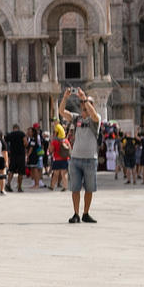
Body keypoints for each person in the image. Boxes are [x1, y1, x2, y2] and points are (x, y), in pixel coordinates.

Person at [58, 88, 101, 223]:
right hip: (76, 158)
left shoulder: (96, 119)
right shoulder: (76, 118)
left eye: (88, 104)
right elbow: (61, 112)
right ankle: (76, 213)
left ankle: (86, 213)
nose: (84, 106)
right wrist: (65, 98)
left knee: (89, 188)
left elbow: (93, 115)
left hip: (90, 159)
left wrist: (84, 98)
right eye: (83, 104)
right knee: (75, 188)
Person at [4, 124, 27, 193]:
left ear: (13, 128)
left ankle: (8, 184)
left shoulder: (10, 134)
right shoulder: (22, 133)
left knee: (11, 170)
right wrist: (24, 147)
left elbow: (5, 141)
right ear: (18, 128)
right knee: (20, 172)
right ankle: (19, 187)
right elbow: (25, 142)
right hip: (21, 155)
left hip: (13, 155)